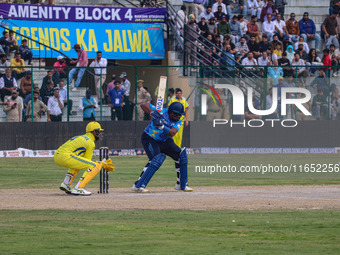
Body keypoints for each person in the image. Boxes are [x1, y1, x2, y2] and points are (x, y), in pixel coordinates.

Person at [132, 102, 193, 193]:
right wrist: (151, 113)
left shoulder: (178, 122)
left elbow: (172, 133)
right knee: (156, 159)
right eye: (179, 114)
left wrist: (161, 126)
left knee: (181, 155)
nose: (180, 117)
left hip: (164, 140)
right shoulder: (161, 111)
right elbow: (143, 105)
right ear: (172, 112)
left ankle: (181, 184)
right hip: (150, 138)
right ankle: (138, 185)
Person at [55, 122, 113, 196]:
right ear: (94, 131)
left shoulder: (81, 137)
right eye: (99, 132)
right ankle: (79, 188)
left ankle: (66, 184)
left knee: (78, 164)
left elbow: (83, 162)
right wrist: (100, 163)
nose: (100, 134)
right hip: (65, 156)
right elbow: (88, 162)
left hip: (58, 155)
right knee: (95, 166)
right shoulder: (90, 142)